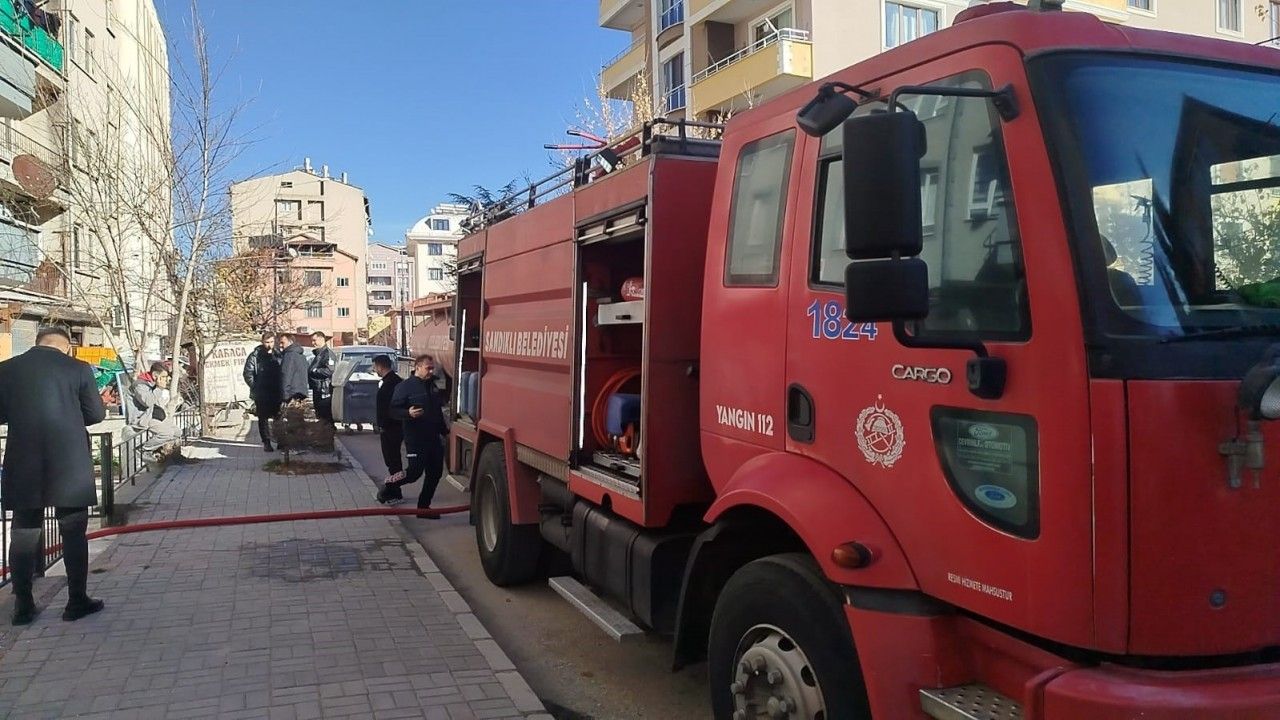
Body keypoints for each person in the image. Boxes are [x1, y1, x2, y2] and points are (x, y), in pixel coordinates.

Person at [0, 326, 106, 625]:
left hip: (23, 460)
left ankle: (23, 606)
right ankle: (76, 601)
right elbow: (96, 414)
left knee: (24, 531)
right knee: (73, 531)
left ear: (36, 344)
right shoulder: (78, 368)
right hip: (69, 462)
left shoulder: (6, 369)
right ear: (67, 346)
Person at [378, 354, 448, 515]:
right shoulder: (405, 387)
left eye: (432, 368)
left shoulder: (433, 386)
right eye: (428, 368)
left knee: (435, 473)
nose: (431, 371)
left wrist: (445, 431)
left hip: (433, 438)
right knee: (414, 473)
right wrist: (407, 413)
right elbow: (393, 411)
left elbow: (437, 412)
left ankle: (423, 508)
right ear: (418, 367)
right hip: (415, 438)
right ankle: (389, 485)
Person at [371, 355, 405, 503]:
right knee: (392, 460)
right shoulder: (395, 381)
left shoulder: (390, 384)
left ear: (380, 366)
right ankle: (394, 489)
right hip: (393, 426)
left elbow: (389, 408)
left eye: (374, 367)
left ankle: (395, 492)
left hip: (391, 428)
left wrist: (383, 424)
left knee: (393, 460)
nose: (374, 370)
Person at [243, 332, 282, 451]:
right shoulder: (255, 356)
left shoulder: (278, 354)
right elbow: (248, 373)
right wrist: (255, 386)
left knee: (278, 416)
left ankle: (280, 440)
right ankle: (266, 441)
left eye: (271, 342)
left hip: (276, 391)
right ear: (262, 342)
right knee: (263, 418)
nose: (269, 345)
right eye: (267, 342)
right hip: (262, 392)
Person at [131, 362, 181, 453]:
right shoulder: (140, 385)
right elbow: (147, 402)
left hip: (158, 414)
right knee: (166, 434)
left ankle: (157, 449)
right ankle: (143, 450)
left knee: (177, 432)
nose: (166, 379)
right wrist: (159, 388)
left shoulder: (153, 383)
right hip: (145, 417)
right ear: (155, 375)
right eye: (164, 377)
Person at [308, 331, 334, 423]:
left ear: (322, 339)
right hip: (318, 389)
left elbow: (329, 371)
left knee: (325, 416)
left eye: (314, 340)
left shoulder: (327, 354)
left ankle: (328, 431)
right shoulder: (319, 354)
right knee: (320, 416)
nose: (313, 343)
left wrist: (315, 370)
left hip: (324, 390)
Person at [279, 334, 310, 404]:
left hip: (291, 396)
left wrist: (285, 397)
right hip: (301, 394)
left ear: (290, 342)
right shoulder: (302, 356)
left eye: (282, 342)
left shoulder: (289, 355)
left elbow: (286, 376)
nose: (280, 345)